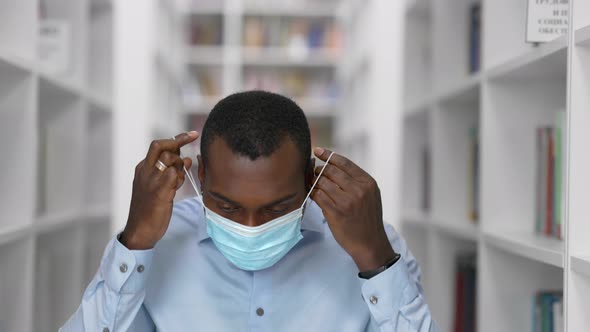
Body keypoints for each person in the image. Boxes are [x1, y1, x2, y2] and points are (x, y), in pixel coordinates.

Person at [61, 91, 438, 331]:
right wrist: (136, 242)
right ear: (201, 175)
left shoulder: (372, 242)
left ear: (310, 179)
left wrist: (376, 260)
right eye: (227, 205)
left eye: (278, 207)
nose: (252, 227)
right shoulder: (151, 242)